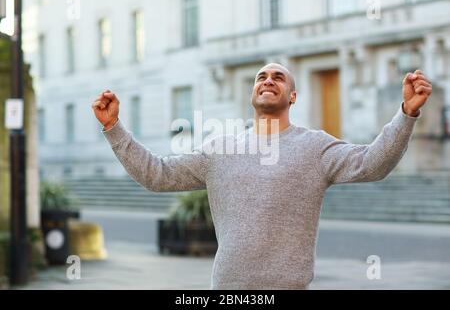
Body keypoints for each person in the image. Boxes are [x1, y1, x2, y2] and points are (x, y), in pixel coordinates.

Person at [92, 63, 432, 289]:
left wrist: (406, 114)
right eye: (261, 77)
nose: (268, 80)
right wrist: (113, 127)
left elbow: (372, 164)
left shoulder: (315, 146)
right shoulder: (219, 149)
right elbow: (158, 174)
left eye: (278, 78)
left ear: (293, 97)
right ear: (253, 93)